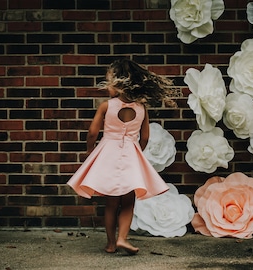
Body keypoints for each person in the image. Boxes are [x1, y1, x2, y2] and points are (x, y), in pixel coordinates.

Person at [67, 59, 179, 255]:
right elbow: (145, 138)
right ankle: (122, 238)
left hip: (108, 154)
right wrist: (136, 154)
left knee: (111, 203)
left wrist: (89, 149)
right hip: (130, 156)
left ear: (120, 84)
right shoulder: (141, 109)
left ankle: (111, 244)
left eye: (109, 81)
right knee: (128, 202)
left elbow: (92, 132)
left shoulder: (106, 106)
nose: (107, 86)